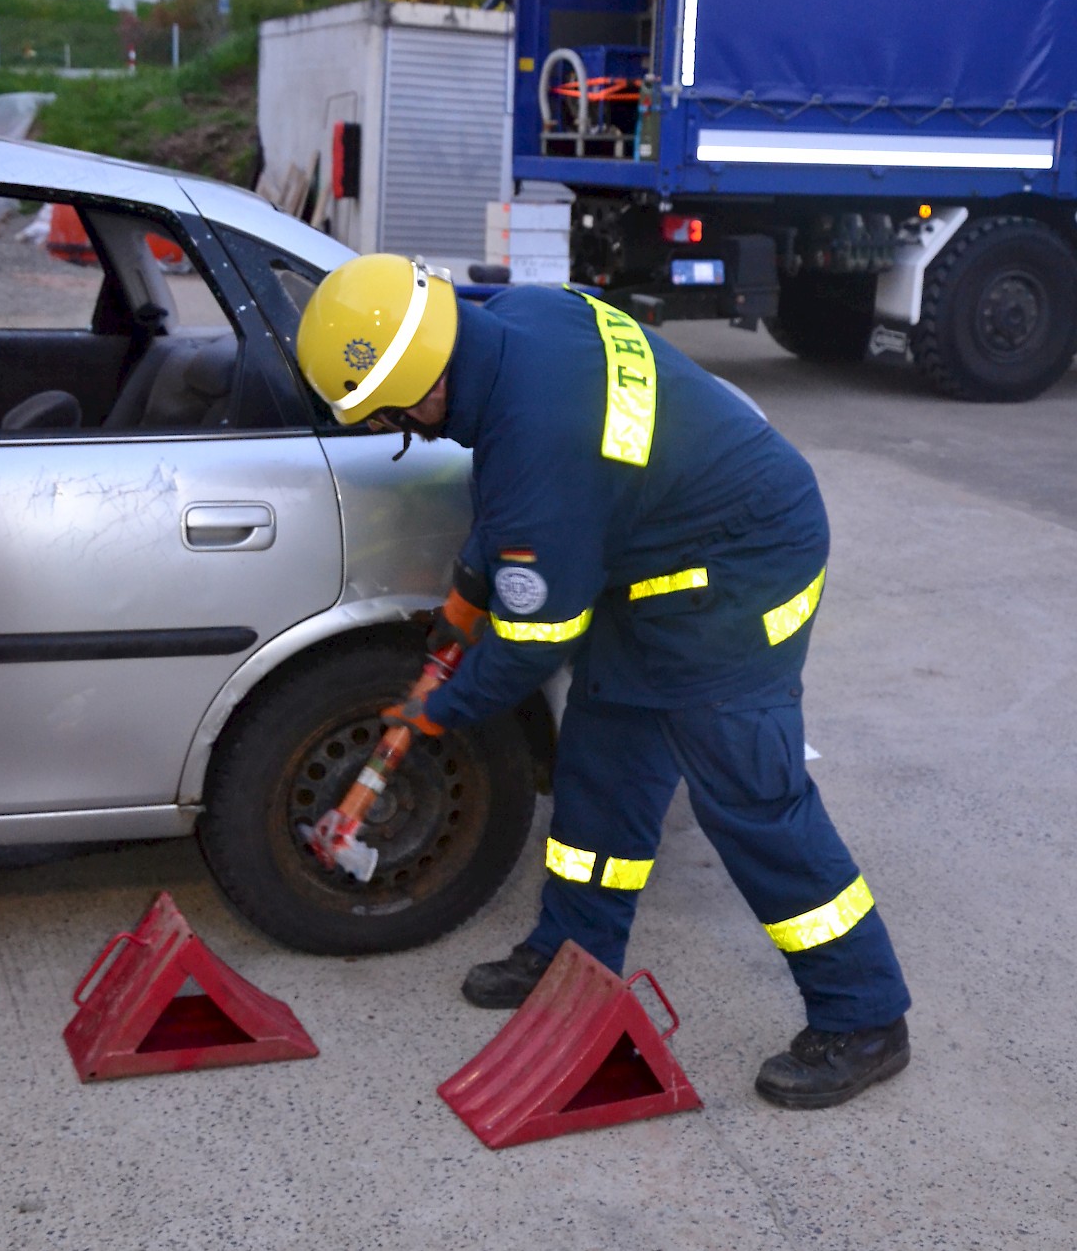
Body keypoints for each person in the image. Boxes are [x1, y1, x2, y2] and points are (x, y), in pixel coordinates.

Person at [296, 254, 911, 1110]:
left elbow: (530, 644)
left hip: (745, 563)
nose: (408, 428)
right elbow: (514, 507)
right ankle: (572, 954)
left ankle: (864, 1016)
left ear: (422, 379)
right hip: (649, 558)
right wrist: (468, 596)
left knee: (750, 794)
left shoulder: (540, 430)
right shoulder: (511, 323)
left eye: (397, 414)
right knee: (602, 764)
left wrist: (439, 706)